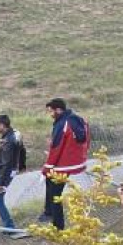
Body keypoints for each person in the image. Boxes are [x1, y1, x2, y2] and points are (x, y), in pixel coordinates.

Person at [40, 98, 90, 230]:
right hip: (76, 162)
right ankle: (48, 212)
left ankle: (58, 227)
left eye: (51, 111)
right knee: (49, 184)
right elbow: (86, 140)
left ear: (58, 110)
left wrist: (47, 167)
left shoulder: (62, 123)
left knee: (56, 195)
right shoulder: (80, 120)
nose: (50, 114)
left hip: (62, 165)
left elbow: (56, 147)